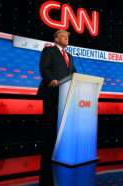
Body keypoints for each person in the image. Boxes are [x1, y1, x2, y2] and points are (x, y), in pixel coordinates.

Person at [37, 30, 77, 185]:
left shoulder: (70, 56)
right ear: (56, 38)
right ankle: (48, 152)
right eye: (63, 37)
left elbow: (73, 73)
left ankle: (59, 149)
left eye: (67, 37)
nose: (66, 39)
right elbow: (44, 68)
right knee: (50, 123)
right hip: (51, 91)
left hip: (64, 93)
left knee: (60, 123)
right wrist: (51, 79)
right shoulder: (49, 50)